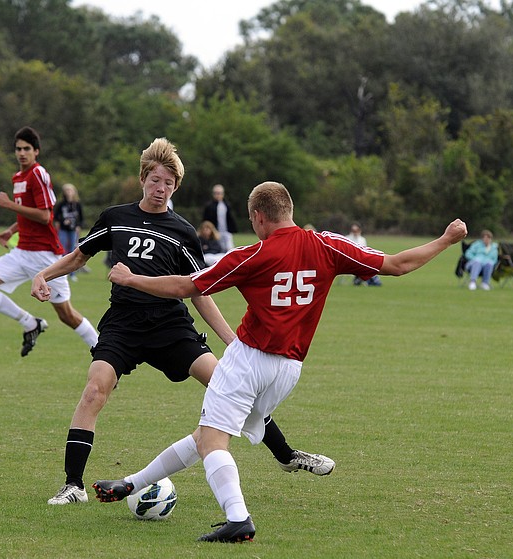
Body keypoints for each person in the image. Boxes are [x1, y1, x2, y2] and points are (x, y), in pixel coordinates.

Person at [93, 181, 467, 543]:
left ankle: (238, 519)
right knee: (206, 435)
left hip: (249, 359)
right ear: (288, 210)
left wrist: (132, 279)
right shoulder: (327, 245)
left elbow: (185, 286)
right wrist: (446, 240)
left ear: (257, 217)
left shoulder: (253, 254)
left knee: (212, 440)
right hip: (288, 370)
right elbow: (397, 265)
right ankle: (132, 483)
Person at [31, 139, 334, 507]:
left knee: (228, 384)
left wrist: (230, 341)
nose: (161, 189)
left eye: (169, 184)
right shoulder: (115, 217)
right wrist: (44, 274)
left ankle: (286, 455)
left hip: (170, 326)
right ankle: (73, 485)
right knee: (95, 390)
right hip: (123, 325)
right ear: (143, 178)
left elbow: (198, 291)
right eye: (156, 180)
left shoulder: (183, 231)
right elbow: (80, 256)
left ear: (176, 187)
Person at [0, 126, 98, 357]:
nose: (21, 153)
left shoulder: (38, 174)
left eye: (27, 149)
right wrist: (11, 230)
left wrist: (9, 204)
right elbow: (28, 213)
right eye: (18, 149)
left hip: (45, 256)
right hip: (21, 252)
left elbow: (45, 215)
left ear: (36, 151)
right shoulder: (18, 177)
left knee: (66, 315)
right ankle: (31, 323)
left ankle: (103, 351)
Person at [52, 183, 83, 279]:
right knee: (62, 250)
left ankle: (72, 274)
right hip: (63, 230)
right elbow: (56, 217)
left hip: (73, 230)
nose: (69, 192)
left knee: (73, 251)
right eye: (67, 191)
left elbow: (81, 218)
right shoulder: (61, 204)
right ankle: (61, 272)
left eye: (70, 190)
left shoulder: (77, 204)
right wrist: (60, 224)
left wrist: (78, 226)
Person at [202, 183, 238, 250]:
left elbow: (230, 218)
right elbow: (206, 221)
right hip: (215, 233)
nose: (218, 195)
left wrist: (232, 229)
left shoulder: (226, 205)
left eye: (219, 193)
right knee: (218, 249)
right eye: (216, 193)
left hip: (226, 232)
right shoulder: (209, 206)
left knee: (229, 249)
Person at [345, 222, 382, 286]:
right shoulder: (347, 238)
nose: (355, 232)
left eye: (356, 230)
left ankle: (363, 279)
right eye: (353, 230)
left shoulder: (362, 240)